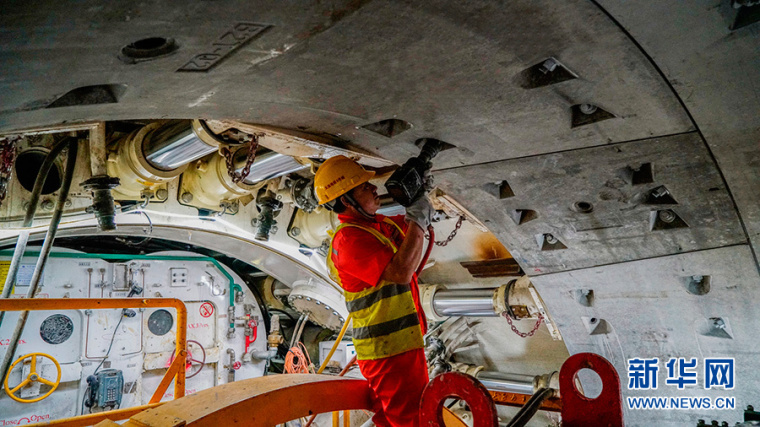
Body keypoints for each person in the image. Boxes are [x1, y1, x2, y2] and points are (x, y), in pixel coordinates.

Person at [314, 155, 434, 427]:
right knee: (410, 421)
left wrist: (418, 202)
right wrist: (418, 218)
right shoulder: (348, 241)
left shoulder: (377, 225)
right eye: (364, 187)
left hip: (398, 346)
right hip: (389, 351)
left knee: (391, 420)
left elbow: (412, 248)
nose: (374, 189)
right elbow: (402, 271)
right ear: (347, 201)